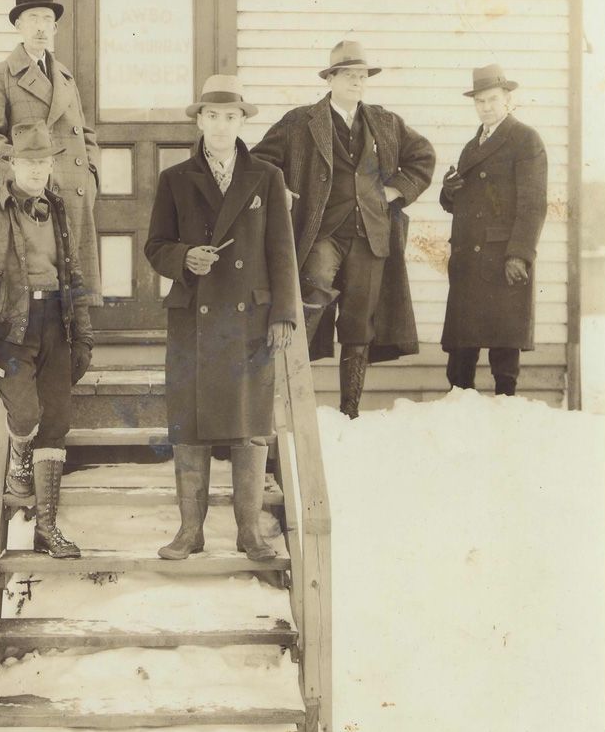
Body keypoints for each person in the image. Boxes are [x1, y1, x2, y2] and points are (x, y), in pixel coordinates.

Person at [144, 75, 297, 562]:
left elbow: (283, 252)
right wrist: (184, 257)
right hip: (193, 317)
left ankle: (249, 532)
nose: (221, 125)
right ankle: (190, 531)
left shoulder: (267, 177)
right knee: (189, 424)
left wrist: (284, 314)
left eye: (231, 116)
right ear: (200, 121)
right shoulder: (174, 179)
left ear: (241, 122)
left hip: (250, 319)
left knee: (249, 422)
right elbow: (155, 246)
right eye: (212, 115)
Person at [252, 40, 435, 419]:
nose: (357, 82)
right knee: (311, 296)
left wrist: (395, 190)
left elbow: (423, 156)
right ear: (330, 79)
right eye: (349, 75)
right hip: (323, 233)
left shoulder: (385, 122)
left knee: (359, 322)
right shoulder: (300, 122)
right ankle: (288, 391)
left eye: (362, 76)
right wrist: (279, 188)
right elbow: (259, 162)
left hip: (371, 236)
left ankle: (349, 411)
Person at [0, 121, 94, 559]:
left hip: (56, 324)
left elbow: (74, 276)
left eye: (44, 161)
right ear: (11, 163)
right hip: (10, 332)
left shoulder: (60, 211)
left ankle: (47, 529)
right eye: (28, 161)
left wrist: (83, 335)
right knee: (27, 413)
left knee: (56, 422)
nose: (36, 169)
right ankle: (19, 460)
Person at [0, 0, 102, 304]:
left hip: (74, 195)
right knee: (36, 296)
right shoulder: (2, 75)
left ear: (55, 27)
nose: (41, 27)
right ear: (19, 25)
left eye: (47, 19)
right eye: (33, 18)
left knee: (76, 299)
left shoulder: (65, 76)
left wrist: (91, 176)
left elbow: (85, 133)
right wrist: (24, 174)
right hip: (32, 196)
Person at [440, 64, 548, 396]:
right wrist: (448, 191)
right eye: (480, 101)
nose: (486, 107)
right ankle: (460, 412)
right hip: (468, 260)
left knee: (504, 352)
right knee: (461, 355)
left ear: (508, 100)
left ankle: (506, 415)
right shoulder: (472, 146)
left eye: (492, 100)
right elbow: (462, 205)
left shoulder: (525, 139)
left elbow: (533, 204)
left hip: (502, 258)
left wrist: (519, 256)